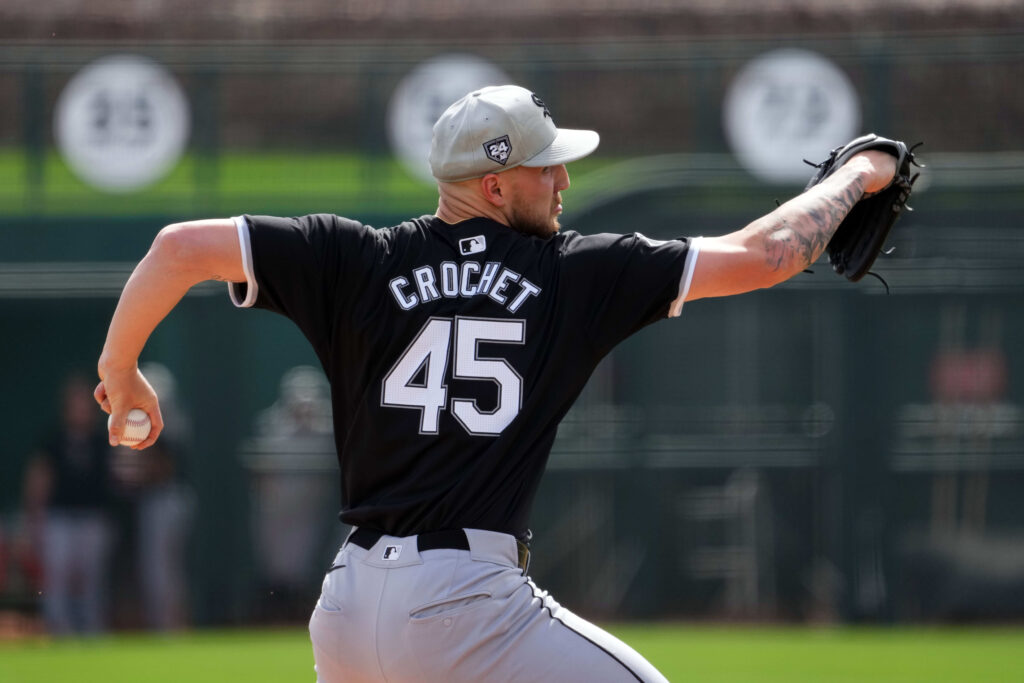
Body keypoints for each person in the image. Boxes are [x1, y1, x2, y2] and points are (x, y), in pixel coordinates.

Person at [95, 85, 896, 681]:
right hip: (465, 600)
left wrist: (121, 371)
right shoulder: (571, 273)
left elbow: (177, 248)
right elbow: (768, 255)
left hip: (346, 607)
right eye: (549, 168)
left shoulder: (353, 257)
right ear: (496, 184)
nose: (564, 184)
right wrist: (860, 173)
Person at [35, 374, 116, 635]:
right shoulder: (54, 439)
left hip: (93, 518)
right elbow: (39, 477)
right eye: (75, 402)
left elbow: (118, 480)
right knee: (57, 577)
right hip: (60, 518)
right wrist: (34, 516)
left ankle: (91, 631)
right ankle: (59, 630)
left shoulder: (103, 440)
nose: (80, 408)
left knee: (92, 578)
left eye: (84, 403)